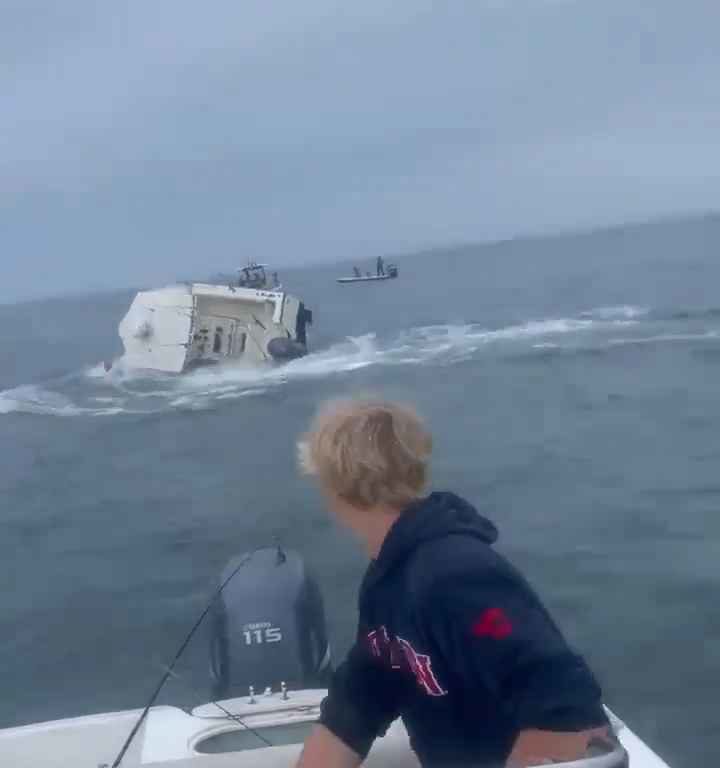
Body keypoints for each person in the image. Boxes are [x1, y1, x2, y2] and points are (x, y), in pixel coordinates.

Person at [296, 399, 616, 768]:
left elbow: (561, 700)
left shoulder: (455, 575)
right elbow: (360, 698)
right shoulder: (387, 583)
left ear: (335, 488)